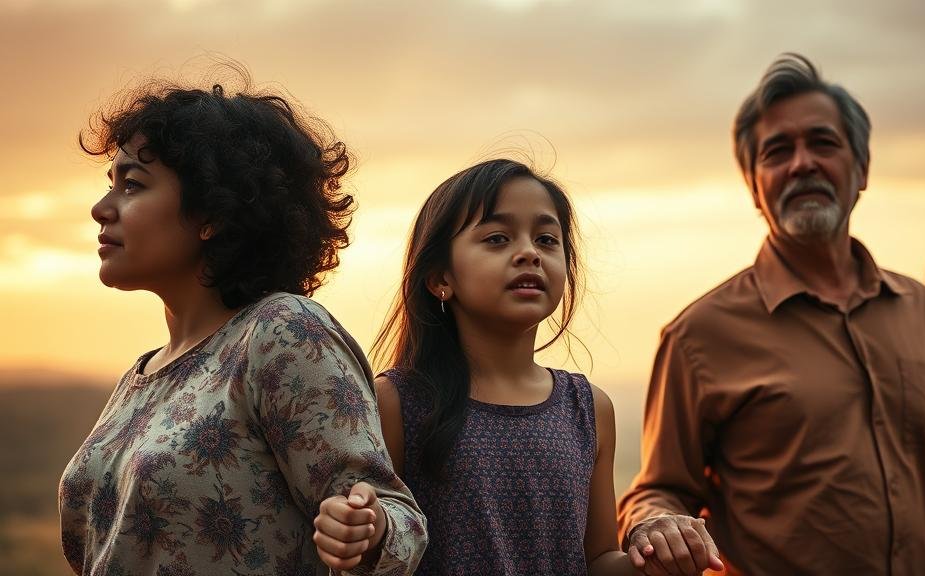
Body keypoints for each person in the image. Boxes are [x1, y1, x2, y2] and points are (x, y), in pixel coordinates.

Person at [617, 53, 925, 575]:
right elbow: (658, 490)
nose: (802, 163)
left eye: (823, 143)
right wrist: (655, 522)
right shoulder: (699, 335)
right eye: (777, 151)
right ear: (753, 185)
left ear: (862, 168)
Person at [58, 65, 426, 575]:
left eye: (133, 185)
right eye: (110, 184)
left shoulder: (282, 333)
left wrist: (369, 529)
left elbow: (395, 519)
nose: (102, 208)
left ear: (213, 214)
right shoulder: (139, 378)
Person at [312, 158, 642, 574]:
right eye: (498, 238)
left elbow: (598, 560)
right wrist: (362, 527)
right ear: (440, 279)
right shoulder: (398, 401)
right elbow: (383, 539)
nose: (529, 253)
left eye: (546, 239)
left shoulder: (589, 408)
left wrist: (658, 560)